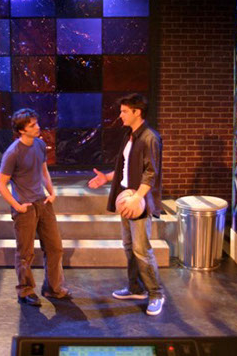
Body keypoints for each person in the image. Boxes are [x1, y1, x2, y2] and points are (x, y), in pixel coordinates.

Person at [88, 93, 164, 316]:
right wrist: (106, 178)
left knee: (142, 249)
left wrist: (137, 198)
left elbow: (151, 173)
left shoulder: (150, 137)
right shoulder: (129, 135)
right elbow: (126, 169)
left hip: (138, 200)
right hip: (127, 195)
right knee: (129, 246)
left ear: (136, 112)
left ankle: (156, 293)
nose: (120, 115)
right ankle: (135, 288)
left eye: (124, 111)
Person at [0, 108, 71, 307]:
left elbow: (44, 171)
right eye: (32, 125)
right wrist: (17, 206)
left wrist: (52, 192)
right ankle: (25, 291)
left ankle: (53, 288)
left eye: (36, 123)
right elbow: (1, 184)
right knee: (25, 253)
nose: (38, 127)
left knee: (55, 247)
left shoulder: (39, 144)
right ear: (22, 130)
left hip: (43, 203)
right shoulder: (13, 153)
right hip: (25, 207)